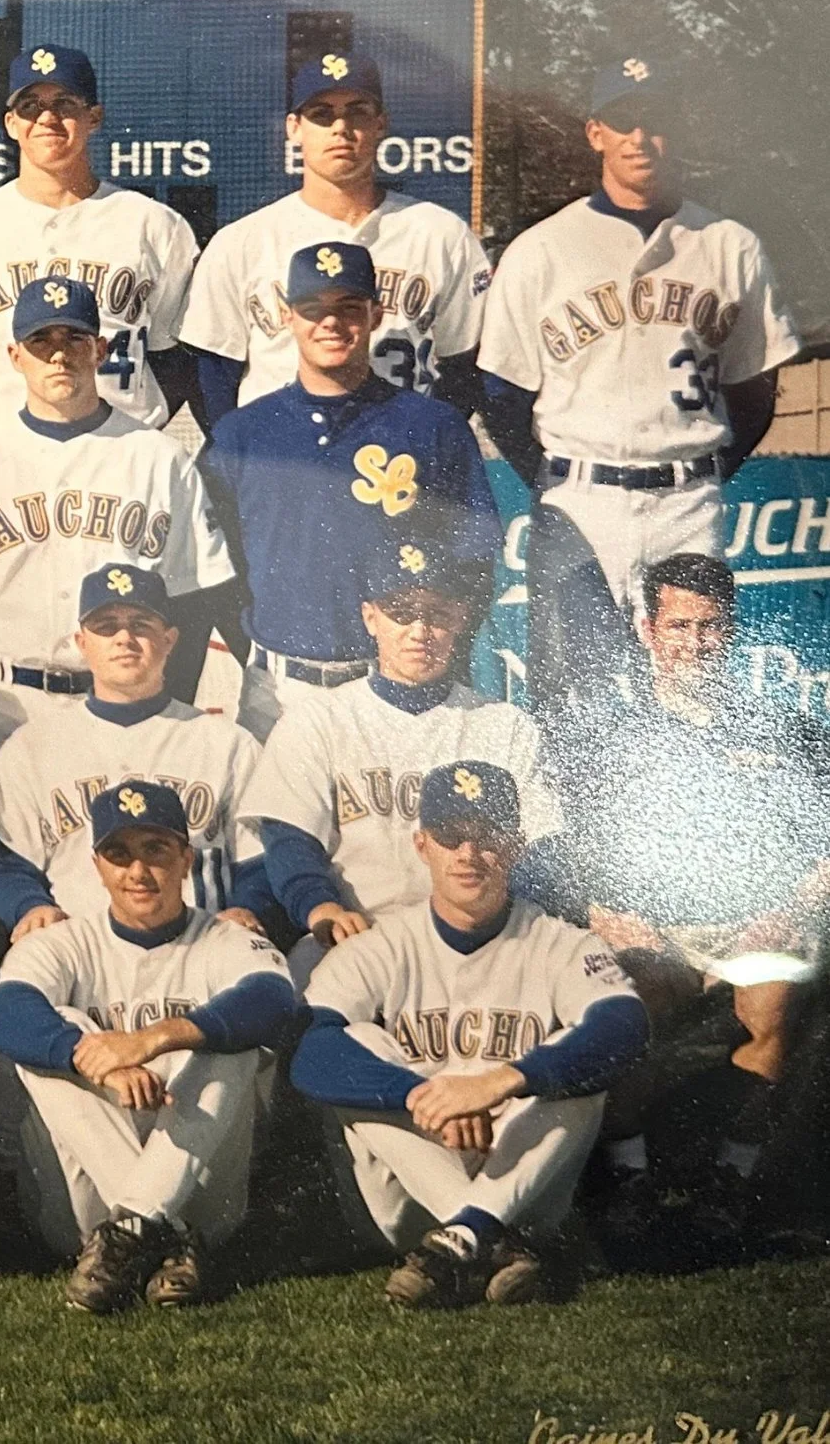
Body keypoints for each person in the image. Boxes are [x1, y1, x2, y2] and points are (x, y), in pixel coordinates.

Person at [479, 56, 799, 714]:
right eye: (623, 121)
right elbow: (501, 394)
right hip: (581, 501)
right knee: (574, 697)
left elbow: (755, 388)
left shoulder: (730, 245)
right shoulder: (542, 249)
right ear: (595, 132)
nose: (640, 138)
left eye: (655, 122)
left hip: (687, 502)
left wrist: (705, 467)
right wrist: (555, 478)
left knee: (694, 692)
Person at [526, 553, 830, 1239]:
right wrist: (604, 910)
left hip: (755, 927)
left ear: (732, 630)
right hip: (652, 931)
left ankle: (732, 1181)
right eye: (680, 625)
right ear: (647, 627)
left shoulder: (779, 725)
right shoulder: (604, 732)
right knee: (625, 1005)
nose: (695, 643)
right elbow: (557, 843)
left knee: (774, 1002)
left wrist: (791, 909)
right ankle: (629, 1180)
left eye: (710, 626)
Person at [290, 761, 649, 1308]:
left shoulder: (559, 941)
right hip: (414, 1187)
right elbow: (310, 1054)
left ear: (517, 846)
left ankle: (467, 1236)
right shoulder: (383, 943)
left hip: (520, 1177)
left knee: (576, 1063)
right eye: (451, 836)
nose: (468, 854)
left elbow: (625, 1027)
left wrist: (502, 1082)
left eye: (486, 838)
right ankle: (485, 1235)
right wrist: (424, 1096)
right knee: (357, 1039)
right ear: (422, 845)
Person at [0, 778, 304, 1313]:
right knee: (58, 1029)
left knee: (228, 1040)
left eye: (155, 850)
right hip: (86, 1203)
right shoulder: (66, 942)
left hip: (201, 1189)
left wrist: (150, 1040)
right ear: (97, 866)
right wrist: (102, 1065)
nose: (138, 871)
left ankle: (137, 1222)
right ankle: (159, 1231)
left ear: (186, 859)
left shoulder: (227, 939)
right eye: (119, 854)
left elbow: (273, 998)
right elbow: (4, 1012)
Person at [0, 278, 232, 763]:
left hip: (129, 704)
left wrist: (161, 698)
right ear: (15, 356)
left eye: (74, 340)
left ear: (101, 350)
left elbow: (189, 601)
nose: (58, 356)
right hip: (8, 705)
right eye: (41, 342)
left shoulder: (160, 458)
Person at [201, 243, 498, 741]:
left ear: (376, 314)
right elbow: (215, 568)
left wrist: (424, 661)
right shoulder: (242, 435)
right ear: (287, 317)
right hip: (278, 690)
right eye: (313, 309)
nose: (330, 323)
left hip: (398, 689)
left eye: (348, 308)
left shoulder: (431, 427)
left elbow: (473, 558)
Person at [235, 533, 554, 972]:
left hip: (478, 942)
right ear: (371, 617)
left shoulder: (504, 725)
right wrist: (321, 908)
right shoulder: (319, 720)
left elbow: (540, 844)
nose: (419, 631)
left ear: (460, 619)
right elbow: (289, 839)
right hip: (356, 937)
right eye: (401, 613)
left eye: (436, 614)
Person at [182, 51, 491, 428]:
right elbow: (212, 377)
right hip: (283, 457)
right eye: (322, 114)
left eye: (357, 112)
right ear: (294, 128)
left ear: (381, 124)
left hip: (400, 458)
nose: (340, 128)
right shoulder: (242, 242)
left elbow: (464, 367)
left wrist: (425, 442)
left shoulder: (440, 234)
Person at [0, 43, 200, 432]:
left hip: (120, 445)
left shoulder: (156, 225)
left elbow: (172, 358)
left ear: (94, 117)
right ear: (10, 124)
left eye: (65, 104)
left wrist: (137, 429)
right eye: (30, 107)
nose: (47, 118)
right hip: (1, 446)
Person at [0, 565, 262, 939]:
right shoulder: (31, 747)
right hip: (77, 945)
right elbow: (9, 863)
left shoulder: (227, 743)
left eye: (141, 625)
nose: (124, 638)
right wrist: (31, 906)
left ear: (170, 639)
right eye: (106, 626)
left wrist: (247, 907)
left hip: (198, 943)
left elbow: (258, 860)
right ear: (82, 643)